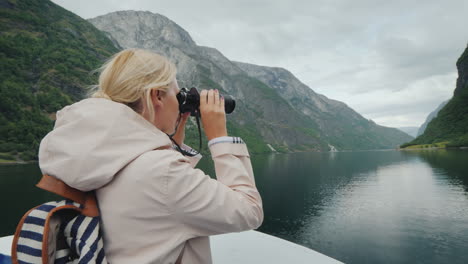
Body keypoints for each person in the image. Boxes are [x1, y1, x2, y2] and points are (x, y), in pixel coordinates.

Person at [38, 49, 264, 263]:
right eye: (176, 95)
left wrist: (173, 134)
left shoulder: (96, 150)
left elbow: (158, 186)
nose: (179, 103)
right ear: (156, 96)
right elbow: (249, 211)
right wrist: (219, 138)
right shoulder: (162, 172)